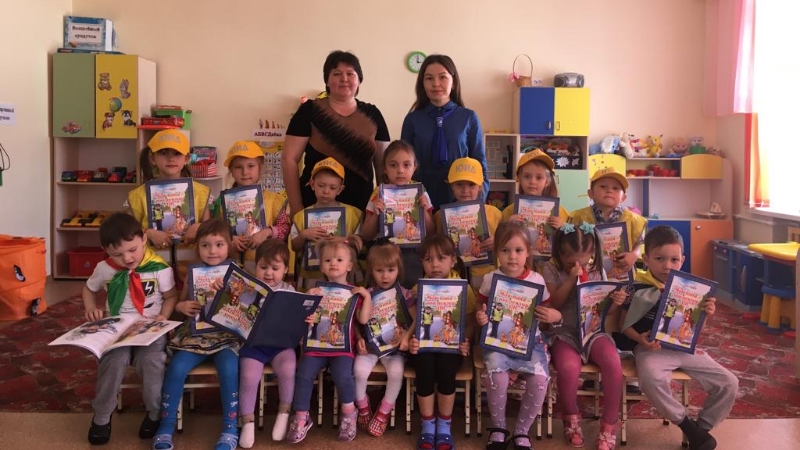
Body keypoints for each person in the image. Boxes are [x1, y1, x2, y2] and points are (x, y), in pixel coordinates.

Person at [618, 226, 738, 450]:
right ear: (646, 259)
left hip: (684, 348)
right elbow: (623, 325)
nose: (667, 265)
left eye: (674, 259)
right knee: (651, 379)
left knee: (729, 382)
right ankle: (687, 426)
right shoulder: (636, 288)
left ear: (682, 260)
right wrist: (640, 339)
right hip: (652, 349)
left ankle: (701, 430)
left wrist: (705, 314)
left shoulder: (691, 290)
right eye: (660, 259)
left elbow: (694, 330)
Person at [81, 213, 177, 446]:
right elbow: (88, 289)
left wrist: (164, 316)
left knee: (151, 362)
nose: (127, 258)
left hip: (150, 329)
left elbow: (171, 296)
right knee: (113, 360)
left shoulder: (159, 268)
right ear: (105, 250)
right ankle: (102, 416)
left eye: (132, 250)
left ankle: (155, 412)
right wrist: (91, 308)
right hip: (117, 329)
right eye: (117, 254)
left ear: (144, 239)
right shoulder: (104, 269)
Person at [152, 219, 240, 450]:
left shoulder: (237, 273)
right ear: (197, 246)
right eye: (205, 245)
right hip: (194, 336)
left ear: (230, 245)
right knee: (176, 368)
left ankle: (230, 428)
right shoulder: (192, 272)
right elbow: (178, 304)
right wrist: (182, 307)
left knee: (230, 369)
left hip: (226, 338)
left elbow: (245, 309)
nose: (212, 251)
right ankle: (166, 426)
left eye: (219, 244)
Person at [476, 221, 562, 450]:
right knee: (497, 377)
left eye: (518, 250)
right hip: (497, 342)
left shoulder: (537, 280)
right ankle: (499, 428)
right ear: (497, 252)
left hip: (531, 342)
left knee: (540, 380)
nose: (512, 256)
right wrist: (480, 317)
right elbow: (480, 307)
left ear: (528, 252)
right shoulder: (490, 279)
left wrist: (551, 315)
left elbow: (546, 310)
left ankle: (522, 431)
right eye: (505, 250)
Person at [542, 222, 627, 449]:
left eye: (584, 260)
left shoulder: (598, 270)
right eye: (571, 261)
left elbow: (605, 310)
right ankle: (571, 418)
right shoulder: (550, 269)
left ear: (592, 254)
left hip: (593, 330)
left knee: (612, 362)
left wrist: (616, 302)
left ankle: (609, 424)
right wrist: (571, 278)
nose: (578, 265)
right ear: (560, 253)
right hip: (564, 331)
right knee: (568, 368)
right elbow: (555, 303)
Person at [282, 50, 390, 214]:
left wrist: (386, 208)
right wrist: (296, 207)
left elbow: (384, 166)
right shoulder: (309, 110)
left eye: (350, 73)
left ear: (359, 80)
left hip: (362, 208)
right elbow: (289, 160)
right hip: (314, 208)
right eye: (337, 73)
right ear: (327, 80)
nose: (344, 79)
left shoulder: (373, 114)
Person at [287, 240, 372, 443]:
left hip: (342, 348)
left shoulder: (354, 293)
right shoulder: (315, 291)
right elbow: (303, 318)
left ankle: (349, 413)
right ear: (322, 266)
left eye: (339, 260)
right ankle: (301, 417)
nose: (333, 263)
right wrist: (307, 301)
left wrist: (366, 296)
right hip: (316, 346)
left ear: (349, 266)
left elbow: (363, 320)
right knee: (303, 374)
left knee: (343, 376)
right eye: (327, 260)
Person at [408, 233, 475, 450]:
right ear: (422, 262)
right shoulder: (417, 290)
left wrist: (466, 340)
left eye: (441, 258)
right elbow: (413, 323)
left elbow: (471, 321)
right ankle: (428, 424)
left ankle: (444, 424)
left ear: (453, 260)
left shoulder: (463, 288)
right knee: (424, 367)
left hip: (452, 347)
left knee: (447, 369)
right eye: (428, 259)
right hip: (424, 347)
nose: (435, 264)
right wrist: (412, 341)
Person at [401, 54, 488, 209]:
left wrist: (476, 204)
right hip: (421, 200)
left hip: (460, 200)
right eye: (429, 78)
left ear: (453, 82)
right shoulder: (412, 119)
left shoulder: (468, 117)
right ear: (422, 84)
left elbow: (480, 165)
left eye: (442, 77)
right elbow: (404, 163)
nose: (436, 83)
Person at [238, 239, 300, 447]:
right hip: (254, 346)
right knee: (249, 377)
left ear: (285, 269)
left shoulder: (289, 290)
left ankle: (283, 415)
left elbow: (296, 321)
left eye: (275, 268)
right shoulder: (248, 289)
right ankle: (247, 423)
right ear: (255, 266)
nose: (268, 273)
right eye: (263, 267)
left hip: (280, 346)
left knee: (288, 369)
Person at [353, 243, 415, 437]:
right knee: (359, 371)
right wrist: (358, 337)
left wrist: (407, 336)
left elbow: (416, 319)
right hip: (371, 346)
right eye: (379, 271)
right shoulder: (367, 293)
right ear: (372, 271)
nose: (385, 276)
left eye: (390, 270)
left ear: (398, 270)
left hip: (395, 348)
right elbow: (357, 321)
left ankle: (383, 412)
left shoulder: (405, 294)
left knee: (396, 372)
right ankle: (363, 407)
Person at [359, 140, 435, 288]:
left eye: (406, 165)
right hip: (385, 253)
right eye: (393, 165)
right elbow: (366, 234)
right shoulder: (378, 193)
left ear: (414, 167)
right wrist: (376, 213)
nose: (400, 170)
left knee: (410, 293)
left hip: (413, 253)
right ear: (384, 168)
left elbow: (431, 232)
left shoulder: (421, 191)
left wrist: (424, 211)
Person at [211, 140, 291, 271]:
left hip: (265, 268)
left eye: (251, 166)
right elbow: (214, 230)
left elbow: (285, 228)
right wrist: (229, 239)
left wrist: (267, 232)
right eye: (238, 167)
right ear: (231, 170)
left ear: (260, 168)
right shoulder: (221, 201)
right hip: (231, 266)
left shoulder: (274, 199)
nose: (245, 172)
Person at [128, 129, 212, 249]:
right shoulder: (138, 195)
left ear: (186, 158)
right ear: (153, 159)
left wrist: (200, 227)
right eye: (163, 153)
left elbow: (211, 229)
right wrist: (148, 233)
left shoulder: (201, 192)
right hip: (152, 259)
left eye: (177, 153)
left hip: (190, 257)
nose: (171, 158)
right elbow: (128, 231)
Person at [290, 157, 364, 290]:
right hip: (312, 276)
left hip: (344, 276)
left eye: (332, 187)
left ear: (340, 189)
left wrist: (345, 240)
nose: (326, 191)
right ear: (312, 184)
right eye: (321, 185)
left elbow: (360, 245)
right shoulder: (301, 216)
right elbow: (294, 247)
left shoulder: (353, 214)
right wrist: (303, 235)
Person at [434, 157, 501, 290]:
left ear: (480, 187)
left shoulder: (495, 214)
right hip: (453, 278)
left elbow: (509, 241)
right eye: (459, 184)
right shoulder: (440, 215)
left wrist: (499, 240)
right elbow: (436, 246)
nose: (465, 190)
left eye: (471, 185)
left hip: (486, 278)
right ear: (451, 186)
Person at [569, 167, 647, 275]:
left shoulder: (634, 220)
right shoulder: (578, 217)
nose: (609, 190)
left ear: (623, 197)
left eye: (615, 188)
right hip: (587, 275)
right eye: (603, 186)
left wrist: (634, 255)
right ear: (591, 193)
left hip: (622, 274)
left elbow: (638, 244)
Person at [501, 149, 569, 249]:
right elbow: (500, 241)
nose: (532, 182)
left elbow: (571, 244)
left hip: (549, 258)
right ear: (519, 178)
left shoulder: (560, 212)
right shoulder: (509, 211)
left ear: (547, 181)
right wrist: (508, 225)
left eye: (539, 177)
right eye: (527, 176)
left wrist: (562, 228)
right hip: (518, 258)